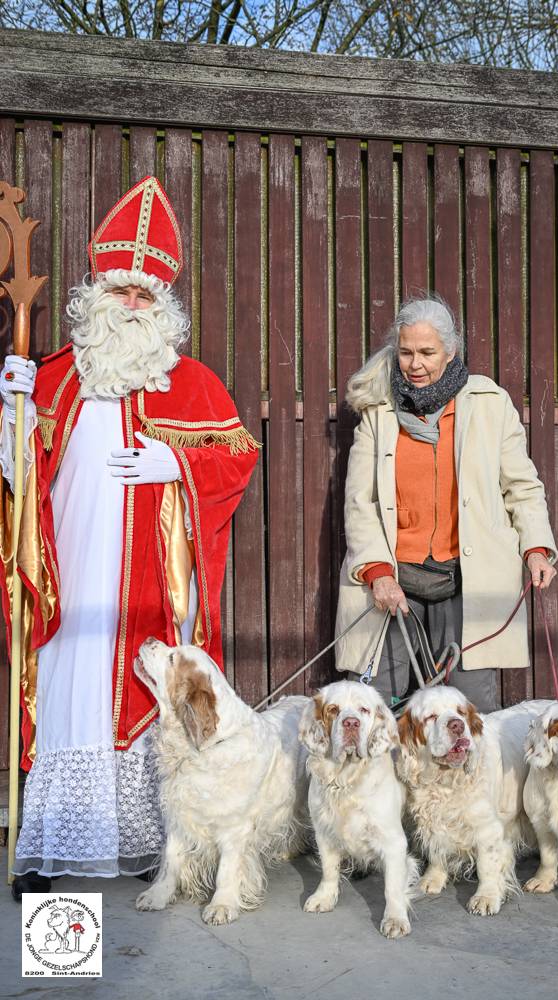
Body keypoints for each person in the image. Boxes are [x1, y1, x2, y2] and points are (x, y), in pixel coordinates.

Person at [0, 176, 259, 898]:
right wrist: (9, 407)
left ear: (165, 306)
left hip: (149, 576)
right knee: (69, 690)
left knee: (147, 699)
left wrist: (174, 459)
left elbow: (236, 456)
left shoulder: (193, 383)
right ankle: (52, 851)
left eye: (147, 295)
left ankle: (151, 846)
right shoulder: (52, 378)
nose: (133, 305)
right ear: (96, 295)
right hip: (71, 572)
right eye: (121, 290)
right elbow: (17, 477)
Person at [334, 295, 557, 712]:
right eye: (405, 352)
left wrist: (536, 548)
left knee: (469, 712)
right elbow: (359, 501)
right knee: (378, 708)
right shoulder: (379, 411)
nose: (414, 364)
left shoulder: (490, 405)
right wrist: (378, 573)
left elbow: (522, 486)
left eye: (426, 353)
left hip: (466, 580)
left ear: (451, 351)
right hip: (394, 582)